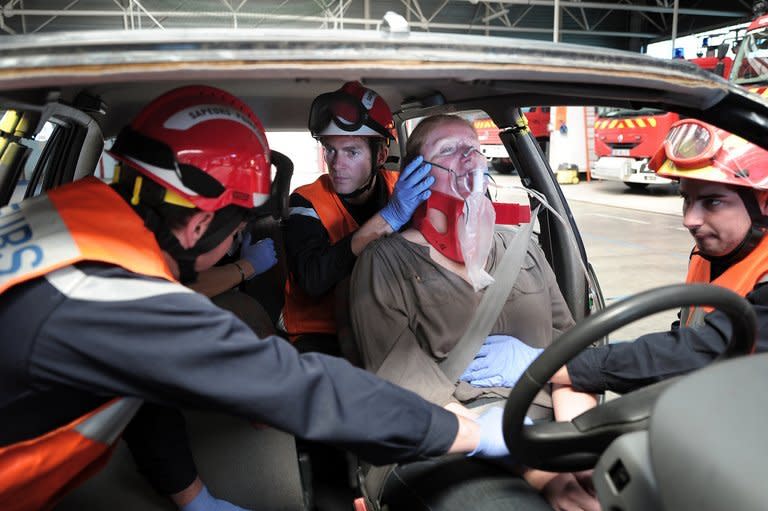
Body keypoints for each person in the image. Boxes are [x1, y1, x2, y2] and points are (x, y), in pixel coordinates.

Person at [0, 86, 516, 511]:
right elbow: (303, 389)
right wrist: (467, 432)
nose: (233, 248)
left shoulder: (65, 217)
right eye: (237, 232)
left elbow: (136, 383)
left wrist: (194, 500)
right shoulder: (119, 297)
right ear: (203, 222)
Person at [349, 114, 599, 511]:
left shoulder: (524, 249)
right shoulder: (386, 262)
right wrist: (538, 469)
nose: (468, 157)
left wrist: (577, 448)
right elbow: (404, 385)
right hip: (446, 436)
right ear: (418, 175)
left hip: (547, 427)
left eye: (474, 148)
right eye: (448, 150)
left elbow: (572, 355)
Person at [467, 119, 768, 396]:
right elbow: (685, 337)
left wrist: (545, 364)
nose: (690, 219)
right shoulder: (707, 255)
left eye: (713, 202)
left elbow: (706, 350)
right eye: (685, 199)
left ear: (763, 202)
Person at [282, 81, 433, 356]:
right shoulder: (305, 201)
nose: (336, 163)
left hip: (390, 325)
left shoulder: (401, 188)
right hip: (319, 337)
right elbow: (313, 280)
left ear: (381, 155)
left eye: (352, 152)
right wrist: (389, 218)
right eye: (330, 149)